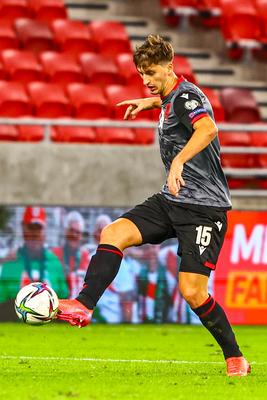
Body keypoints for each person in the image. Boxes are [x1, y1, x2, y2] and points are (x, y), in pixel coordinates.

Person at [57, 35, 250, 376]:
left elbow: (207, 129)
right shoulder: (170, 96)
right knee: (114, 232)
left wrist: (178, 163)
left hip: (204, 208)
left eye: (151, 72)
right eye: (141, 73)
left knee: (192, 291)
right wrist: (150, 103)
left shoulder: (187, 96)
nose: (145, 79)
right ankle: (83, 305)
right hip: (171, 199)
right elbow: (171, 100)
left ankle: (235, 357)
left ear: (169, 67)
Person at [0, 206, 68, 302]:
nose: (34, 234)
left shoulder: (54, 262)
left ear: (44, 232)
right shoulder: (11, 263)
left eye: (38, 229)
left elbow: (64, 299)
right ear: (23, 229)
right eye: (31, 228)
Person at [52, 210, 90, 299]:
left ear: (81, 235)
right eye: (71, 230)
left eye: (77, 232)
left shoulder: (86, 257)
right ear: (65, 231)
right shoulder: (54, 254)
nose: (74, 235)